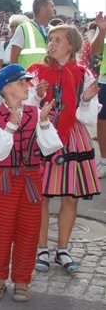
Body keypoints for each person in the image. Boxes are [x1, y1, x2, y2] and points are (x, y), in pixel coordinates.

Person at [0, 64, 62, 302]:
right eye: (21, 83)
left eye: (26, 82)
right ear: (6, 89)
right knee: (2, 230)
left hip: (31, 178)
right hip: (4, 179)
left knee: (28, 231)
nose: (27, 86)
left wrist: (45, 123)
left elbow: (50, 147)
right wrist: (10, 127)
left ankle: (22, 280)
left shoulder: (36, 113)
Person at [27, 24, 101, 275]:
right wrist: (37, 97)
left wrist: (87, 99)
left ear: (71, 45)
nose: (53, 43)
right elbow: (27, 107)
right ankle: (42, 248)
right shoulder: (38, 73)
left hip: (73, 139)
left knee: (70, 197)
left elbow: (88, 118)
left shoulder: (84, 75)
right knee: (43, 196)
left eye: (58, 40)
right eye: (51, 39)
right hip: (46, 135)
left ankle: (63, 249)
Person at [10, 0, 55, 69]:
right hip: (29, 78)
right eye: (52, 6)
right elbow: (13, 59)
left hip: (49, 77)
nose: (54, 9)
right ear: (43, 9)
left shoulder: (54, 30)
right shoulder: (23, 28)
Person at [89, 13, 106, 178]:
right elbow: (94, 50)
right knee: (102, 122)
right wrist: (101, 31)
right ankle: (104, 161)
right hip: (105, 80)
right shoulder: (104, 26)